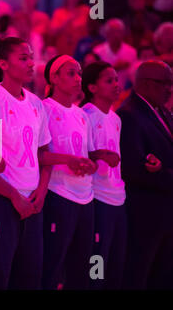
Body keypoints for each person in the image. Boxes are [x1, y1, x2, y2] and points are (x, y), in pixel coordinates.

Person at [0, 38, 90, 289]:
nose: (31, 63)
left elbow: (43, 154)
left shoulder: (36, 103)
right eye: (23, 58)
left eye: (31, 57)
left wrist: (42, 189)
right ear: (3, 64)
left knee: (30, 279)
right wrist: (14, 196)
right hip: (1, 200)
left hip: (33, 202)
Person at [42, 55, 113, 290]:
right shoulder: (44, 109)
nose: (77, 78)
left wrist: (90, 164)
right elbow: (38, 155)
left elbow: (88, 156)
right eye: (71, 73)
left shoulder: (82, 115)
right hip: (58, 194)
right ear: (54, 77)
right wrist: (69, 160)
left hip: (86, 197)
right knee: (52, 266)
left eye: (79, 73)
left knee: (81, 268)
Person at [117, 60, 173, 289]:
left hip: (165, 211)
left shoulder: (162, 111)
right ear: (147, 84)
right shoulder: (129, 115)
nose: (170, 89)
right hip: (145, 213)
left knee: (163, 276)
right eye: (166, 83)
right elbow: (135, 170)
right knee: (139, 274)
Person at [80, 61, 127, 289]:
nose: (116, 85)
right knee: (97, 259)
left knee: (116, 262)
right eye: (109, 80)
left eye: (117, 79)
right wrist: (99, 154)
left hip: (118, 197)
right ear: (92, 87)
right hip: (98, 197)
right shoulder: (86, 115)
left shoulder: (116, 118)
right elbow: (78, 153)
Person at [93, 19, 137, 90]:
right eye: (112, 31)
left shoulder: (132, 52)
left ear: (123, 33)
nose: (116, 35)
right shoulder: (97, 51)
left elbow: (134, 76)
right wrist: (115, 67)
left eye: (118, 31)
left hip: (125, 93)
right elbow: (94, 76)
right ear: (106, 33)